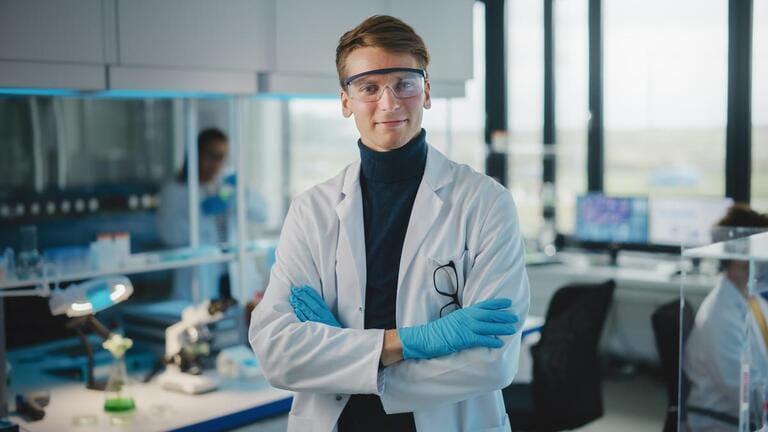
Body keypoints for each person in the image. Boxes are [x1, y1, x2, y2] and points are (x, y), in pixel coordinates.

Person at [249, 15, 530, 432]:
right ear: (345, 101)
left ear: (426, 91)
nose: (389, 103)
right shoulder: (312, 211)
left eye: (404, 84)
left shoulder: (485, 202)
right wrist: (408, 343)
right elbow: (276, 352)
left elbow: (493, 361)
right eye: (368, 87)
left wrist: (344, 357)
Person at [157, 128, 267, 301]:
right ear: (196, 154)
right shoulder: (176, 190)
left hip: (233, 272)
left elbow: (261, 214)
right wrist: (201, 215)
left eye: (221, 157)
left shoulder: (226, 184)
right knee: (203, 314)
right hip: (199, 275)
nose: (216, 163)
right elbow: (170, 235)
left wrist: (243, 192)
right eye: (211, 155)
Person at [684, 204, 768, 431]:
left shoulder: (752, 299)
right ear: (740, 256)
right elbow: (744, 392)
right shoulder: (720, 316)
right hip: (723, 421)